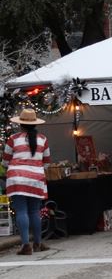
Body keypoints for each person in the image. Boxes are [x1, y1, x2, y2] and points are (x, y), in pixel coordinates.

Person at [2, 109, 51, 255]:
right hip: (36, 179)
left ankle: (25, 246)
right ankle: (38, 243)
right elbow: (47, 162)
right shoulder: (43, 139)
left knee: (21, 211)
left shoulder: (13, 138)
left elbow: (5, 161)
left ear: (20, 124)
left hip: (16, 179)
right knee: (34, 211)